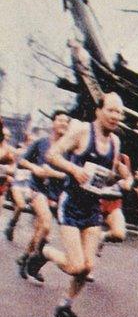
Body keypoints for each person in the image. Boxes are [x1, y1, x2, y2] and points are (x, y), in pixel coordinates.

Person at [35, 93, 131, 317]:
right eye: (111, 110)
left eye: (119, 112)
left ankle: (65, 306)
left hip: (92, 206)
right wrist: (74, 170)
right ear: (98, 111)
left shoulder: (115, 142)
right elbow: (52, 155)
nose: (115, 116)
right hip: (71, 204)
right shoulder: (81, 131)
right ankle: (44, 252)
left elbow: (108, 173)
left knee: (87, 267)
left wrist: (118, 177)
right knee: (76, 265)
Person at [16, 110, 71, 283]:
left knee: (42, 232)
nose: (63, 124)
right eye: (60, 120)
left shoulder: (69, 150)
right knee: (46, 224)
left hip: (55, 194)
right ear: (53, 123)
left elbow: (70, 175)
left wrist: (53, 173)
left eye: (66, 122)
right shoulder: (41, 142)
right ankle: (30, 261)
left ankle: (25, 258)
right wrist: (35, 169)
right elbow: (22, 160)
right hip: (37, 189)